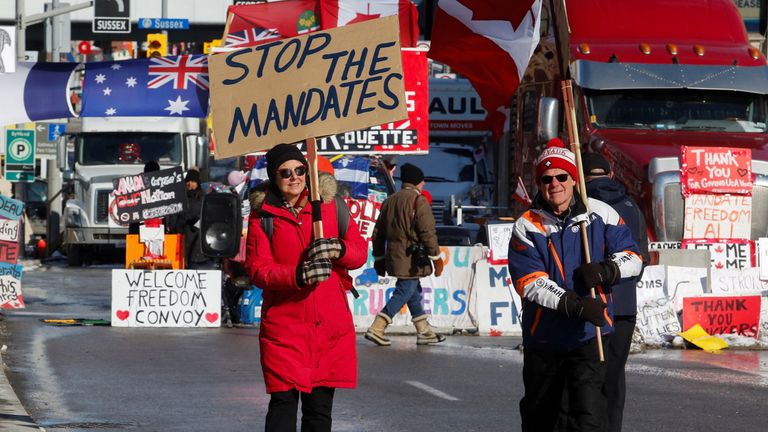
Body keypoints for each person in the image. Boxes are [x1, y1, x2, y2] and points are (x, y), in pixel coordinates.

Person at [508, 139, 642, 432]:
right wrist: (574, 304)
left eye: (561, 177)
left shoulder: (600, 213)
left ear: (573, 179)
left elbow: (633, 258)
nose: (554, 184)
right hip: (545, 337)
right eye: (546, 178)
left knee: (589, 418)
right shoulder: (527, 225)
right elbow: (530, 282)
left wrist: (607, 269)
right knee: (542, 417)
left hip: (589, 336)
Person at [244, 143, 367, 432]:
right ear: (274, 178)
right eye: (284, 172)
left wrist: (339, 248)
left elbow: (360, 251)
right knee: (283, 405)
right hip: (284, 328)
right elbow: (258, 269)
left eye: (299, 170)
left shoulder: (331, 205)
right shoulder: (263, 216)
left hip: (329, 326)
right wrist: (298, 275)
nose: (294, 177)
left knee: (319, 411)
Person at [582, 152, 650, 432]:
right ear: (610, 175)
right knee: (614, 378)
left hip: (591, 304)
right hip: (624, 307)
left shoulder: (581, 207)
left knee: (587, 378)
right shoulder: (631, 206)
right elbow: (641, 259)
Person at [366, 163, 446, 346]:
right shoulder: (419, 201)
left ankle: (424, 330)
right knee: (405, 291)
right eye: (422, 181)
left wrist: (379, 258)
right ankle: (378, 326)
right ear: (417, 182)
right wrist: (436, 258)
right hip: (412, 258)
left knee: (413, 291)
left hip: (394, 257)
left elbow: (378, 233)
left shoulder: (390, 201)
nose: (424, 184)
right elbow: (428, 232)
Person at [171, 168, 208, 268]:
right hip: (182, 234)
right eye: (188, 181)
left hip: (197, 236)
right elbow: (175, 215)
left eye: (193, 181)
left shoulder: (202, 197)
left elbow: (204, 215)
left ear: (197, 183)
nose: (190, 184)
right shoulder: (180, 196)